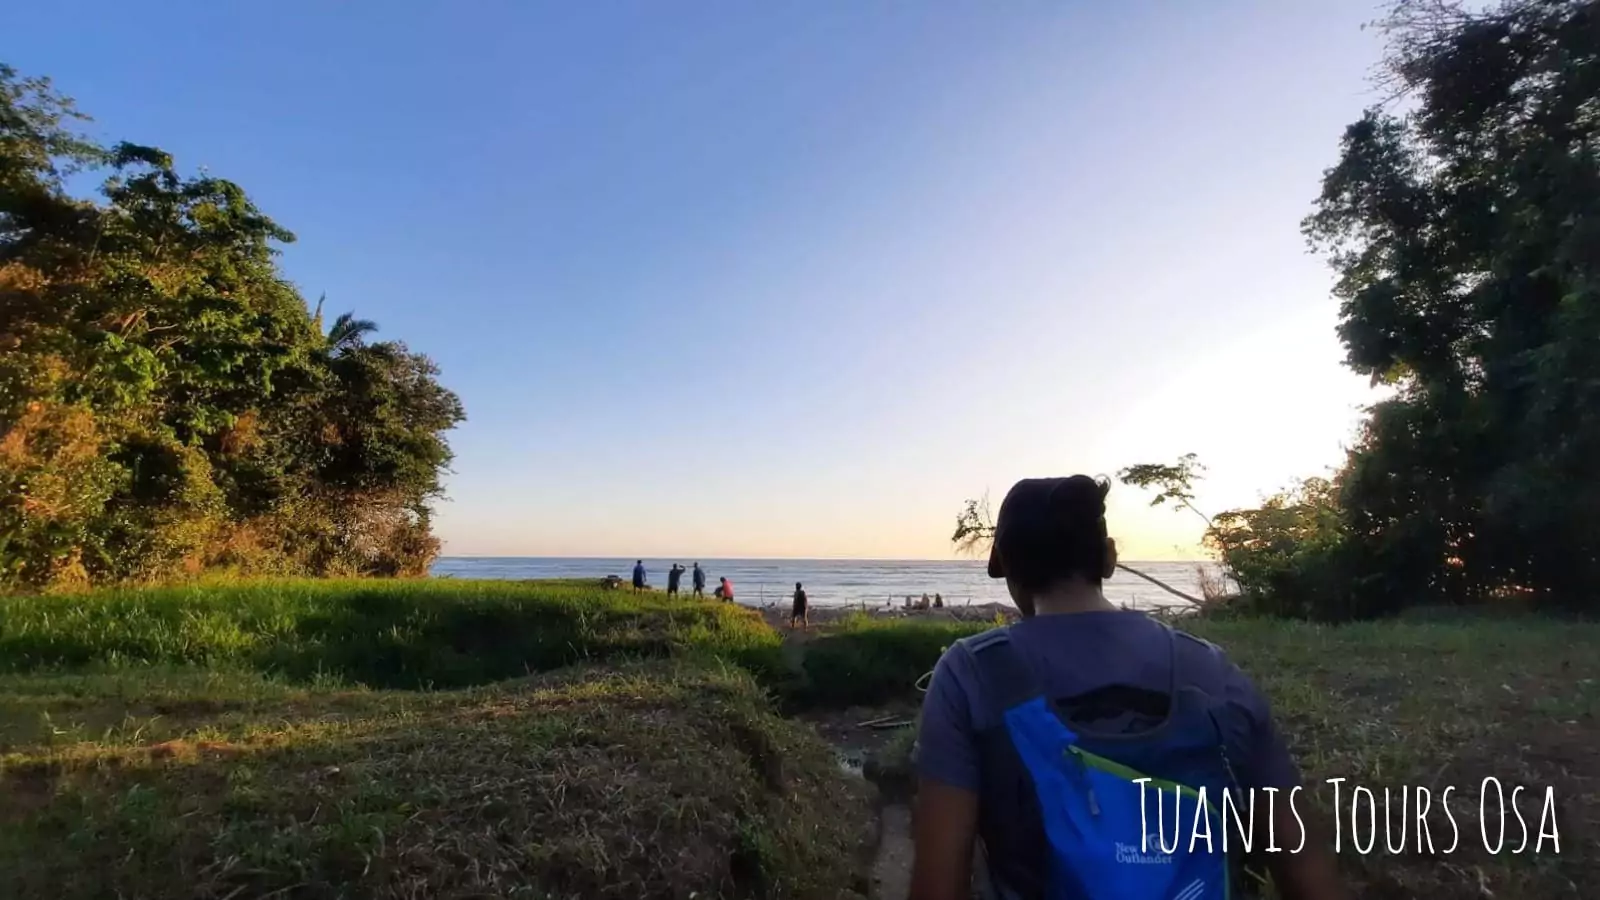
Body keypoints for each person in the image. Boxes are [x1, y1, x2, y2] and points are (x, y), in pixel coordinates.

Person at [909, 475, 1344, 900]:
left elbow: (939, 885)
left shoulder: (971, 673)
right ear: (1109, 558)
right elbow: (1303, 865)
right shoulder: (1212, 672)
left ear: (1006, 565)